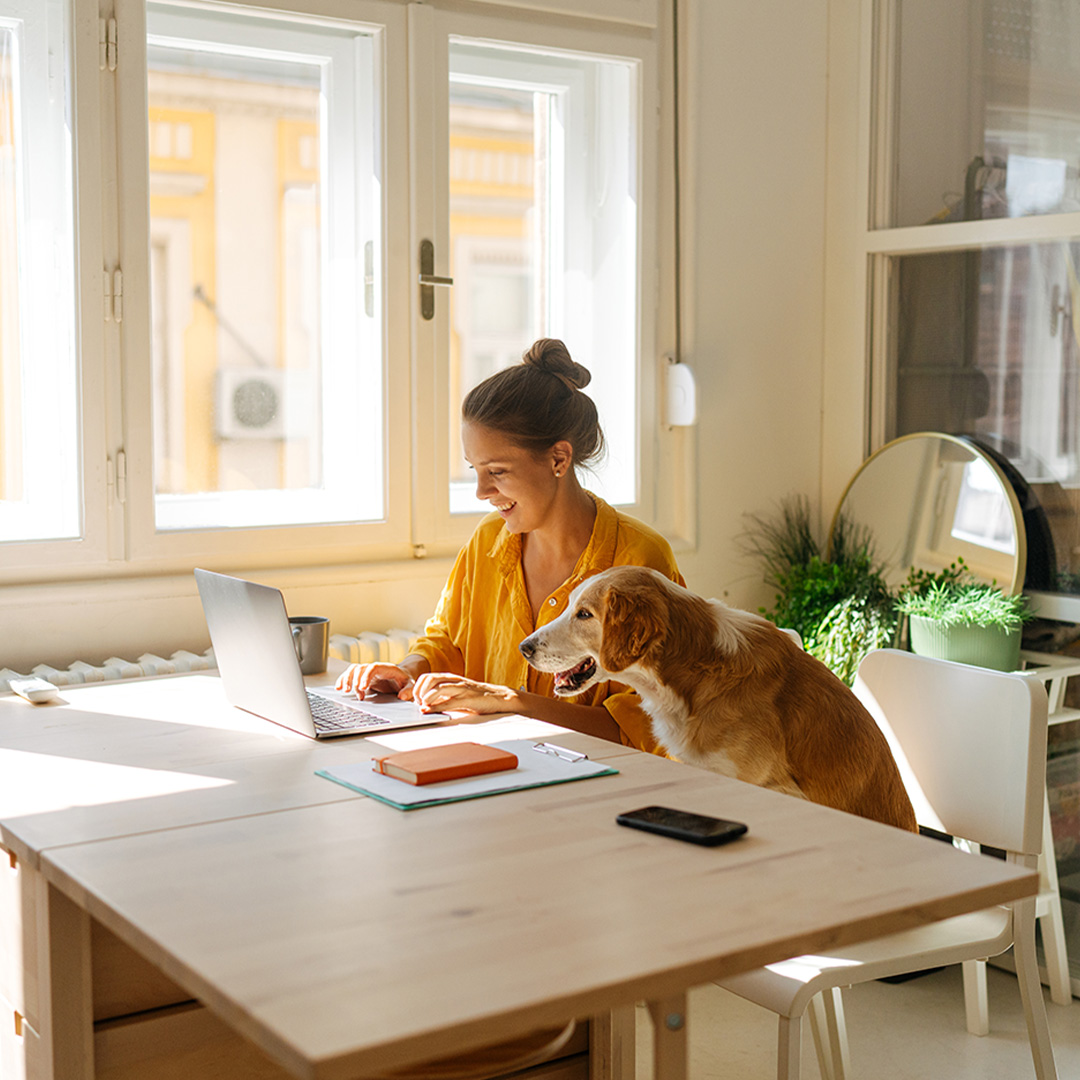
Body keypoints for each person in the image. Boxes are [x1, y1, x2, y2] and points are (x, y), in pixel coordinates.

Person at [336, 338, 684, 750]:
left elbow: (647, 730)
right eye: (475, 470)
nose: (482, 491)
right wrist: (408, 670)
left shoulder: (639, 559)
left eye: (497, 471)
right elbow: (448, 640)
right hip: (492, 766)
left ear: (558, 459)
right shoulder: (488, 540)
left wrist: (515, 704)